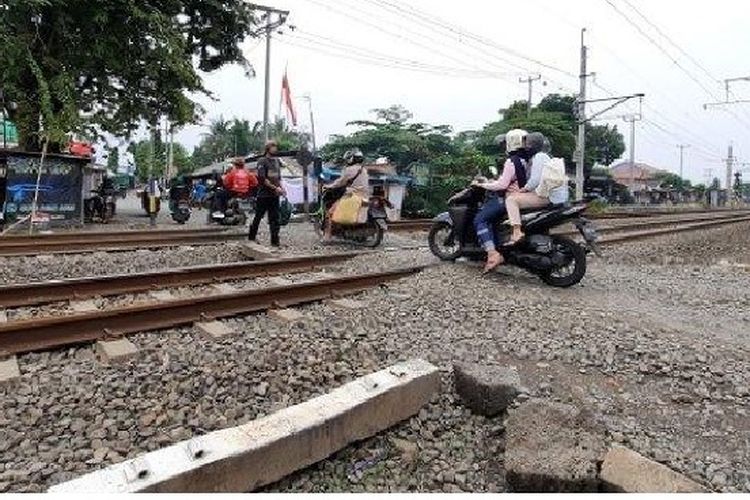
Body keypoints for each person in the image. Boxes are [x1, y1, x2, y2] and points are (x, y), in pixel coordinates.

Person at [472, 129, 529, 273]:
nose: (504, 146)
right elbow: (510, 180)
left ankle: (492, 254)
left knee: (480, 219)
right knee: (493, 219)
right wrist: (493, 181)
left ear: (511, 142)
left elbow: (503, 185)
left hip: (508, 199)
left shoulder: (511, 161)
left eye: (505, 143)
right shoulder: (527, 159)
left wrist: (483, 185)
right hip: (525, 196)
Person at [505, 132, 569, 245]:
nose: (525, 147)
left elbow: (535, 180)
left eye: (527, 144)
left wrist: (522, 190)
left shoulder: (539, 157)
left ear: (532, 145)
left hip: (548, 197)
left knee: (511, 199)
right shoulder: (546, 156)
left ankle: (516, 231)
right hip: (556, 196)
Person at [322, 148, 370, 242]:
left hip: (351, 195)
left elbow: (340, 182)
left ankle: (327, 237)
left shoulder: (349, 170)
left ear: (351, 159)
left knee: (330, 213)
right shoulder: (364, 170)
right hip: (364, 196)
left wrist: (329, 186)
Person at [249, 140, 285, 246]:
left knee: (275, 219)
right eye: (273, 146)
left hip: (274, 195)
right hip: (263, 195)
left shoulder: (277, 161)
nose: (276, 149)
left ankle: (275, 241)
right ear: (268, 148)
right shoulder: (262, 161)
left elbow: (278, 178)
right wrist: (275, 188)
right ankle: (251, 237)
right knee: (258, 217)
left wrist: (282, 188)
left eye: (276, 146)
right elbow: (262, 179)